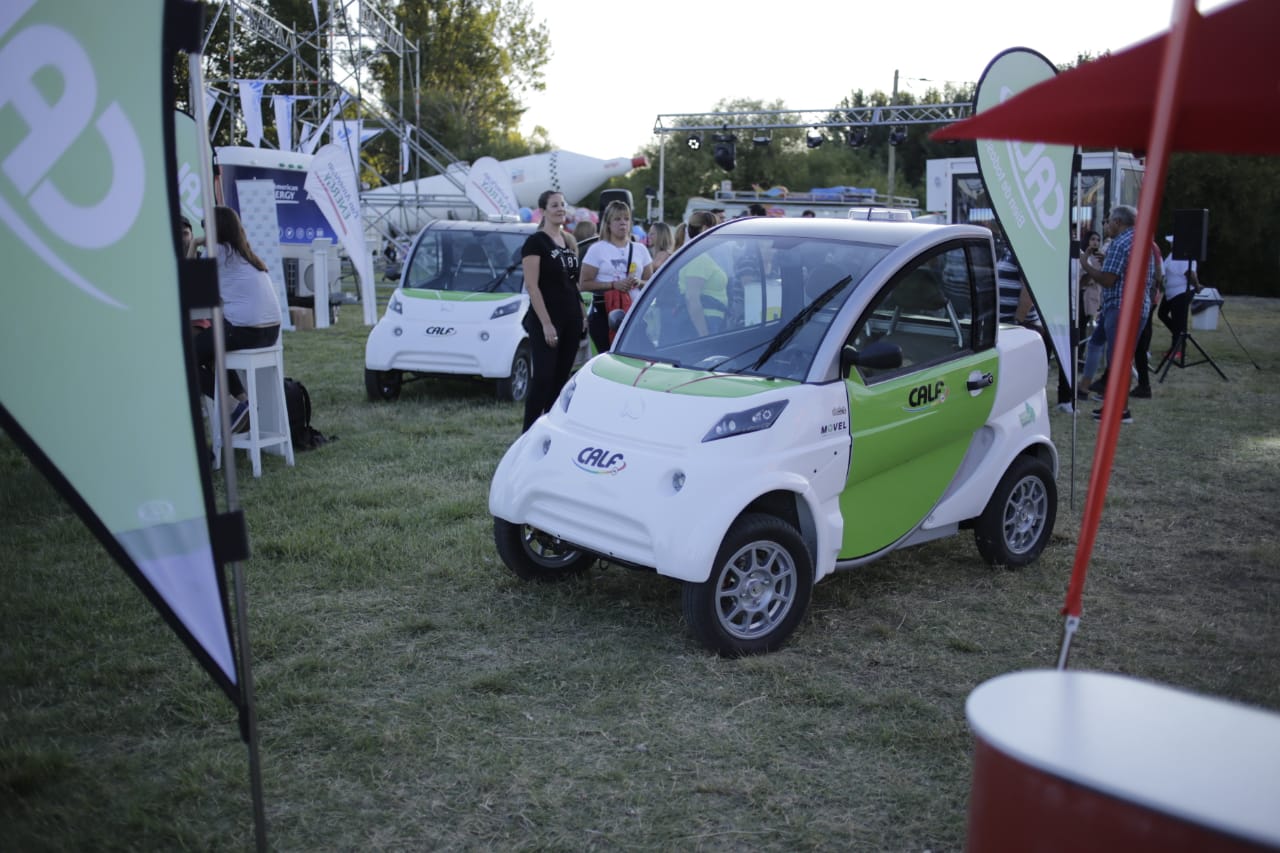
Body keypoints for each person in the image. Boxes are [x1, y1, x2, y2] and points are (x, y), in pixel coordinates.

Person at [194, 206, 283, 432]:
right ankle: (244, 404)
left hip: (247, 332)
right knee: (214, 347)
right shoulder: (245, 253)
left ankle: (233, 407)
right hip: (270, 333)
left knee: (187, 355)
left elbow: (192, 286)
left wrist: (194, 245)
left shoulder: (217, 251)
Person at [1078, 205, 1153, 424]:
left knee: (1118, 359)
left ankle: (1121, 410)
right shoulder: (1141, 241)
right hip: (1138, 306)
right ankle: (1109, 402)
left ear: (1118, 222)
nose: (1107, 225)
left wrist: (1086, 264)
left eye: (1109, 220)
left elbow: (1107, 279)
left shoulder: (1120, 243)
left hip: (1121, 307)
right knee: (1108, 349)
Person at [520, 190, 584, 431]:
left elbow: (573, 283)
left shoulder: (569, 240)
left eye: (563, 205)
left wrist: (582, 313)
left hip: (571, 318)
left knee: (560, 379)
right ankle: (528, 432)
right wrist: (546, 323)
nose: (560, 209)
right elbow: (532, 286)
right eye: (555, 205)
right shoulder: (535, 242)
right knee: (544, 377)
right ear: (544, 210)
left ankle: (550, 429)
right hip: (547, 318)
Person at [580, 200, 652, 353]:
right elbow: (584, 284)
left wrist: (638, 282)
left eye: (626, 219)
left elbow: (651, 283)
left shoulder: (640, 249)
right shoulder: (597, 249)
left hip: (634, 313)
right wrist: (613, 285)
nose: (623, 223)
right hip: (604, 312)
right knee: (608, 356)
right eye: (617, 219)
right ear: (608, 223)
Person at [1130, 238, 1165, 398]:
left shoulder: (1149, 246)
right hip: (1148, 301)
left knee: (1140, 346)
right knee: (1140, 347)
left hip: (1146, 302)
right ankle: (1143, 385)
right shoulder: (1151, 245)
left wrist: (1150, 298)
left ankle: (1144, 386)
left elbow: (1158, 275)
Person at [1157, 233, 1199, 362]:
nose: (1170, 244)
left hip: (1181, 292)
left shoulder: (1183, 256)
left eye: (1172, 242)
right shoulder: (1172, 254)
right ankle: (1180, 338)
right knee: (1162, 313)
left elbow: (1190, 273)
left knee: (1178, 320)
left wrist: (1197, 286)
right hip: (1171, 293)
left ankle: (1178, 349)